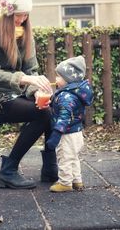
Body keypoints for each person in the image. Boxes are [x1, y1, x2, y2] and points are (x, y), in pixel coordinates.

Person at [0, 0, 58, 189]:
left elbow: (32, 69)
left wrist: (37, 90)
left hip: (14, 94)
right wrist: (26, 80)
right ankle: (8, 170)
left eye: (25, 16)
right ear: (7, 13)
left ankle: (49, 168)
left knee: (50, 104)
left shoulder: (26, 34)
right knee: (43, 114)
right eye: (18, 15)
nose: (21, 20)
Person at [46, 55, 93, 192]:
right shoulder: (74, 93)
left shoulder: (66, 96)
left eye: (59, 76)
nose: (56, 79)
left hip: (66, 134)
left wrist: (55, 134)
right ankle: (77, 181)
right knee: (73, 158)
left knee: (64, 158)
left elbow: (64, 117)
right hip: (77, 132)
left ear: (68, 79)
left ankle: (65, 183)